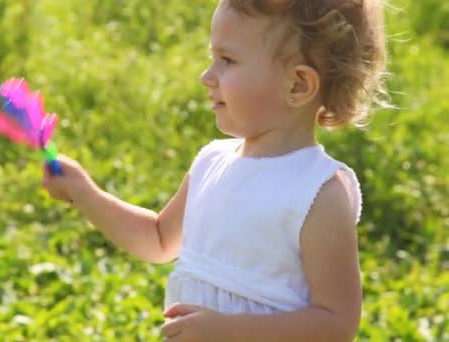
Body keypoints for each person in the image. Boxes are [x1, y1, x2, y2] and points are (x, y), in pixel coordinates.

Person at [42, 0, 388, 340]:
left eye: (227, 60)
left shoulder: (318, 192)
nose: (207, 76)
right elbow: (159, 238)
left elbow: (336, 322)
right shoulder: (212, 162)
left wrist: (228, 331)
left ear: (297, 85)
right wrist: (84, 193)